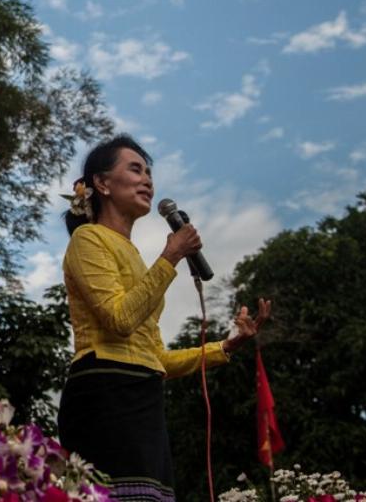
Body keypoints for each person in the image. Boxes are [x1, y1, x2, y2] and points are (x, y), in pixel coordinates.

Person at [56, 135, 271, 502]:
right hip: (104, 392)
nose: (148, 181)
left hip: (143, 396)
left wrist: (226, 346)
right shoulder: (88, 240)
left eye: (150, 173)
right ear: (102, 184)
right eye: (135, 169)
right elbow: (119, 320)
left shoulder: (138, 257)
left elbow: (156, 357)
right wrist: (170, 257)